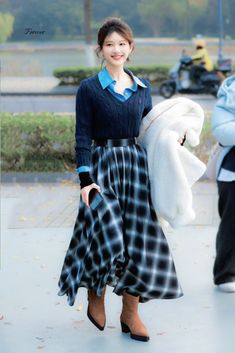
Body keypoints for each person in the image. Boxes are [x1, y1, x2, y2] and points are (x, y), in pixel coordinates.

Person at [57, 17, 183, 342]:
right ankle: (95, 292)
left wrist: (174, 141)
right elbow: (82, 136)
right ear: (100, 49)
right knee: (106, 232)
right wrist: (85, 180)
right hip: (102, 168)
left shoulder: (142, 88)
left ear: (131, 47)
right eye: (110, 44)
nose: (116, 49)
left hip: (135, 168)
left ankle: (131, 312)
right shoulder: (89, 89)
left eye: (122, 44)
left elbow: (150, 130)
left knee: (139, 241)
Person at [211, 75, 235, 293]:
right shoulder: (230, 92)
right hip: (232, 173)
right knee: (231, 223)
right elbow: (222, 131)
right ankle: (225, 273)